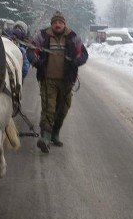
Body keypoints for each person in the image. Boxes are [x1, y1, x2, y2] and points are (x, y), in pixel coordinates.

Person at [27, 11, 88, 153]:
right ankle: (45, 138)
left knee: (63, 108)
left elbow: (84, 54)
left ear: (64, 24)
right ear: (51, 24)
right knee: (49, 108)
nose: (57, 25)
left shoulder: (73, 37)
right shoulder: (43, 35)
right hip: (48, 79)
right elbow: (31, 50)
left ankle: (55, 133)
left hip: (67, 81)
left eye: (60, 22)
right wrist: (36, 61)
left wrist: (77, 61)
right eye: (55, 22)